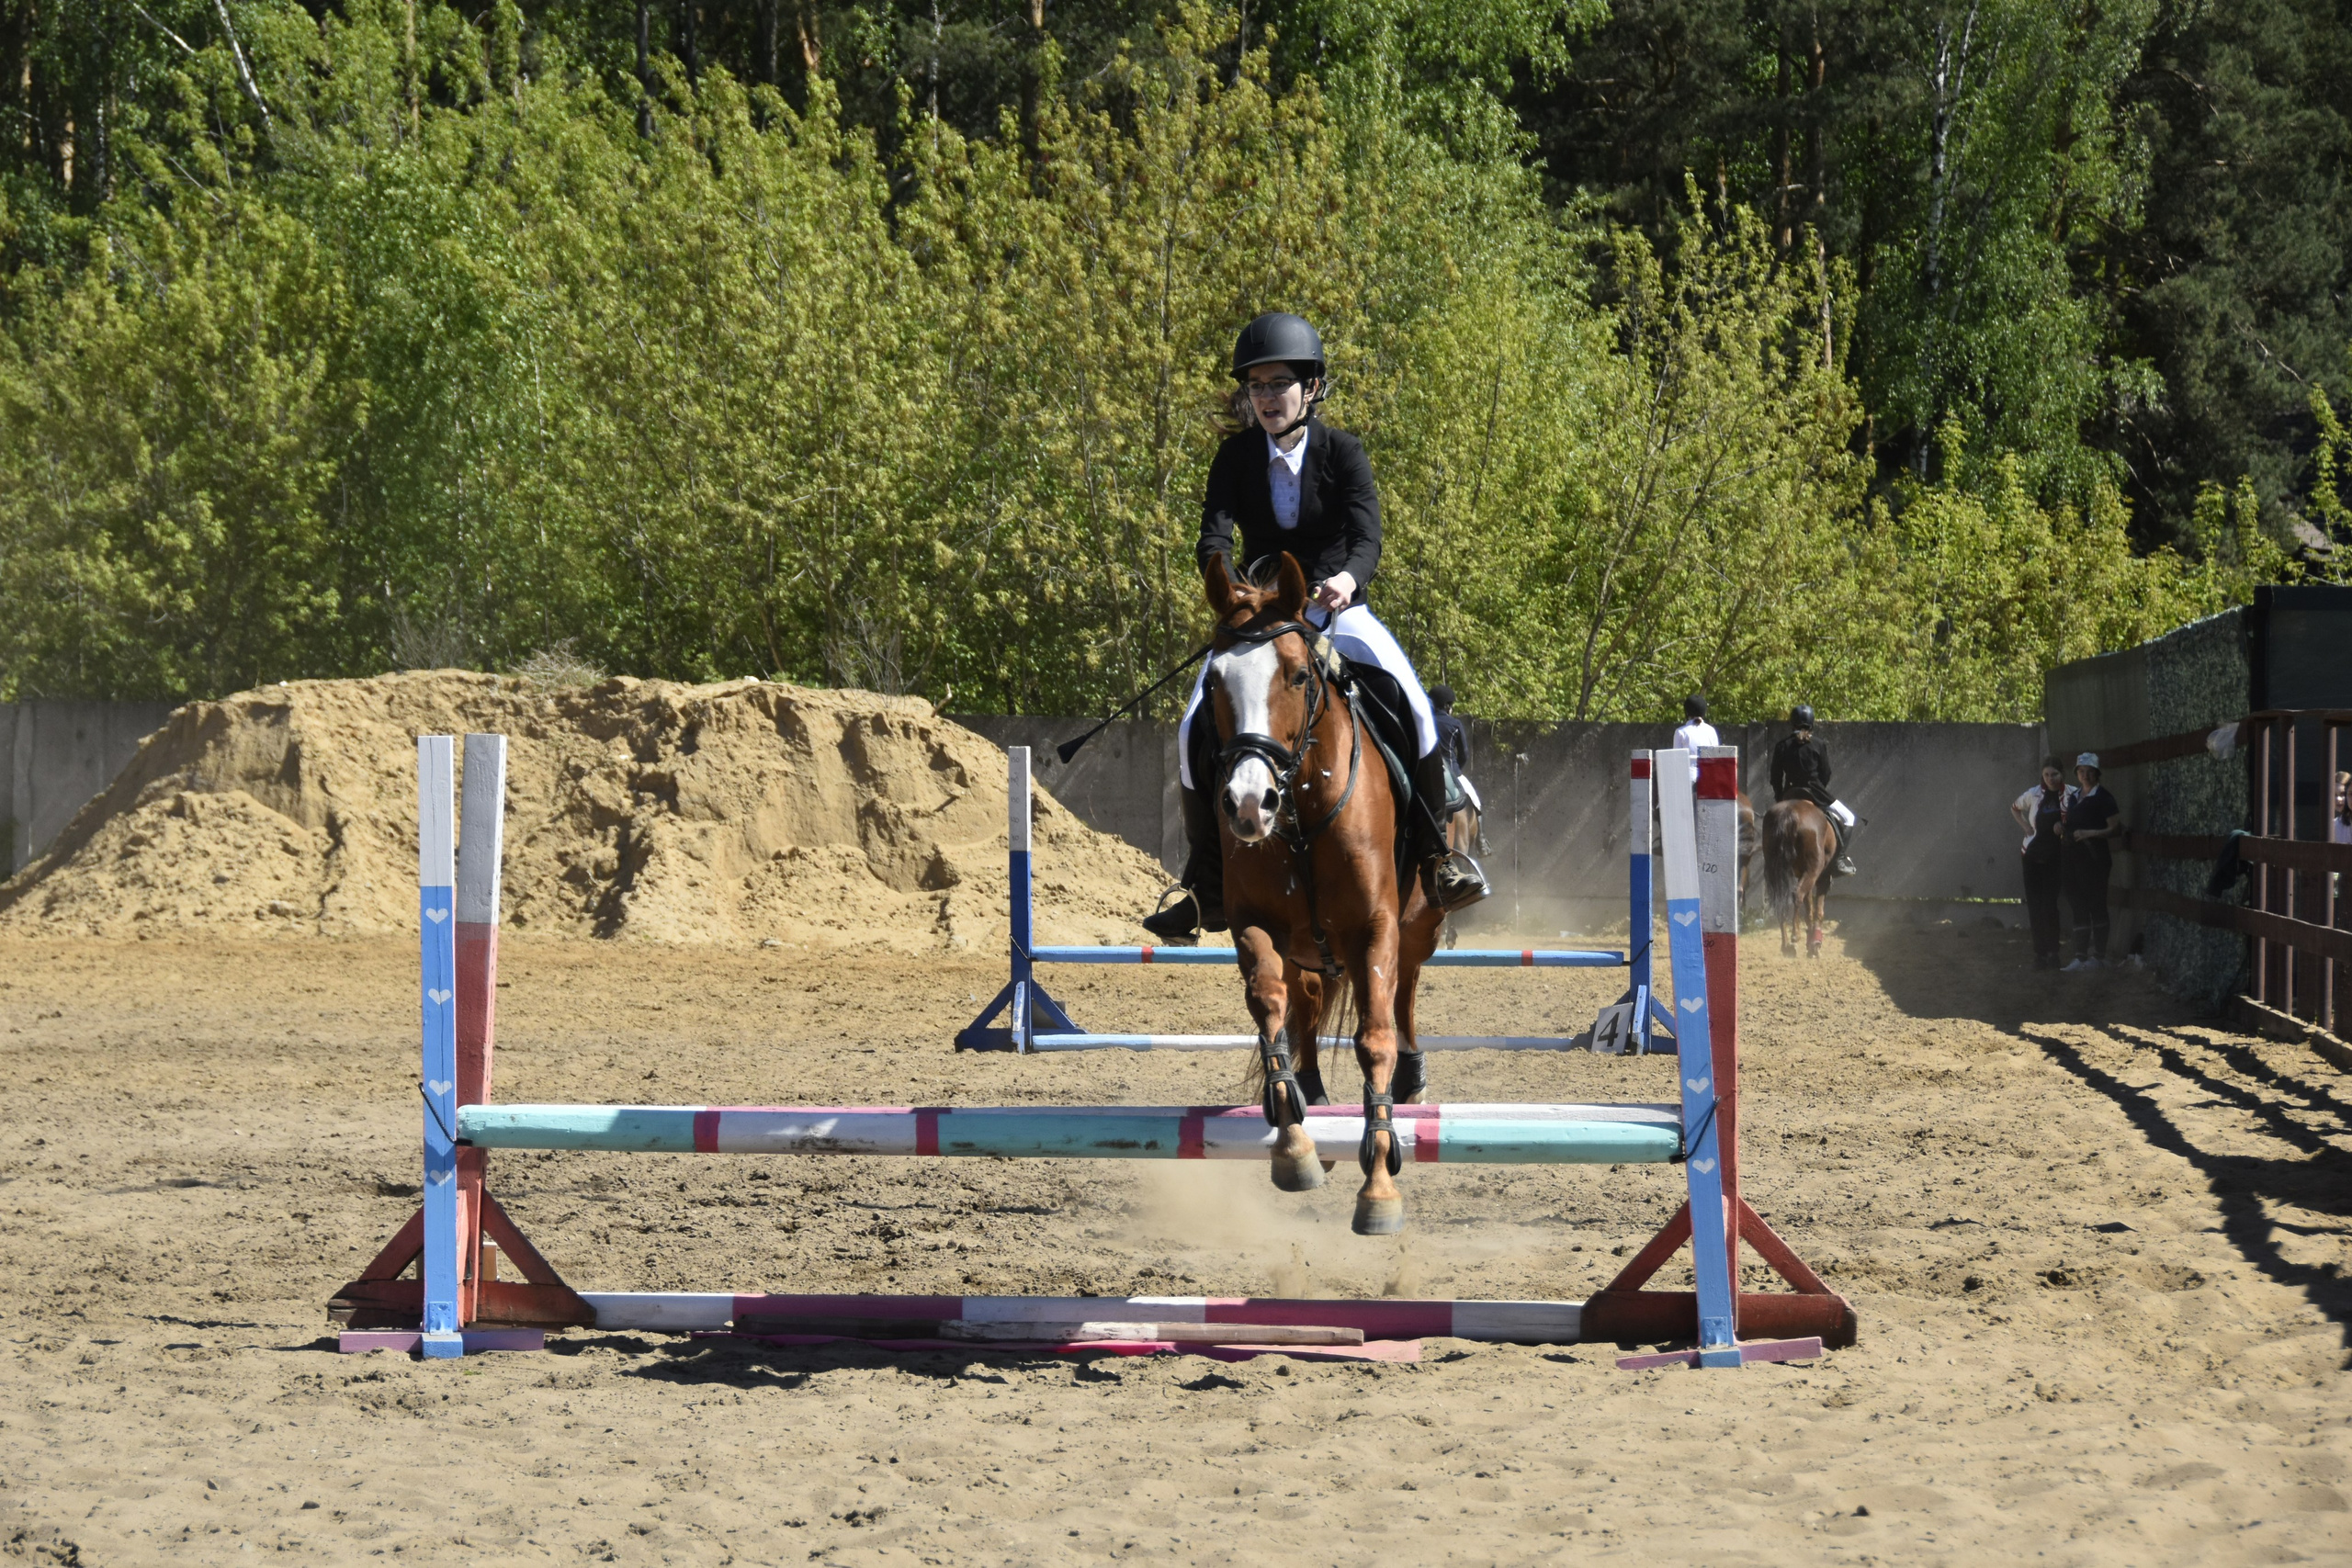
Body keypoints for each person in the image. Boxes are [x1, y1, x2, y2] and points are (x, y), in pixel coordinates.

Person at [1142, 312, 1491, 940]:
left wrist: (1349, 580)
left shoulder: (1343, 452)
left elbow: (1368, 536)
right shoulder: (1234, 457)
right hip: (1261, 620)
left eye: (1279, 384)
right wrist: (1231, 589)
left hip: (1337, 610)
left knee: (1411, 702)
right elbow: (1212, 536)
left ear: (1312, 388)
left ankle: (1440, 857)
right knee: (1191, 720)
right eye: (1257, 387)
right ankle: (1204, 883)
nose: (1267, 397)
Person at [1769, 705, 1858, 876]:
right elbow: (1826, 773)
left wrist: (1780, 797)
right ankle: (1839, 860)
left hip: (1790, 793)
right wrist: (1819, 788)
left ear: (1792, 723)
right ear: (1812, 723)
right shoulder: (1818, 744)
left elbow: (1775, 777)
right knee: (1849, 818)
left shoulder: (1782, 746)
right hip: (1816, 793)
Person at [2059, 751, 2123, 971]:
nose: (2085, 775)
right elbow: (2071, 824)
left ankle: (2099, 956)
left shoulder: (2104, 797)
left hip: (2095, 859)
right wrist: (2061, 828)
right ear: (2077, 773)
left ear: (2096, 774)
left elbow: (2115, 828)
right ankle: (2080, 957)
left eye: (2089, 771)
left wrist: (2090, 833)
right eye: (2081, 771)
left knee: (2096, 904)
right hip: (2073, 858)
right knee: (2078, 905)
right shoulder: (2074, 797)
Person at [2011, 757, 2069, 969]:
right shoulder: (2034, 793)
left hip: (2055, 856)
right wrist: (2025, 826)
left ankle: (2054, 952)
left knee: (2050, 905)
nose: (2050, 779)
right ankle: (2040, 955)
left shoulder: (2070, 794)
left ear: (2062, 774)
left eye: (2054, 774)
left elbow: (2077, 819)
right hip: (2032, 856)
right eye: (2046, 775)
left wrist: (2064, 827)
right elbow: (2015, 807)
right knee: (2035, 906)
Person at [1671, 694, 1718, 780]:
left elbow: (1677, 760)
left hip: (1688, 778)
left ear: (1687, 712)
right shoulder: (1711, 731)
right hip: (1708, 778)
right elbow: (1715, 758)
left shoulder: (1681, 732)